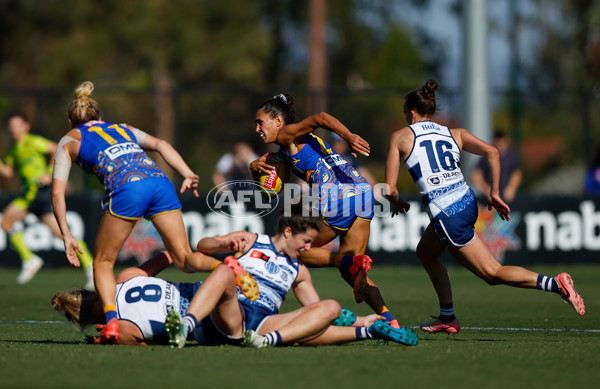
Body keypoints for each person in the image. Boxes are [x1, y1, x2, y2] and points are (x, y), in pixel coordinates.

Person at [51, 81, 258, 342]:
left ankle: (112, 321)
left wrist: (66, 234)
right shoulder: (121, 128)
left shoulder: (69, 140)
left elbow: (57, 193)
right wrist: (186, 172)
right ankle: (226, 265)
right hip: (160, 182)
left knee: (103, 263)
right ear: (100, 117)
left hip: (127, 187)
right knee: (183, 258)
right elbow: (160, 144)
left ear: (71, 122)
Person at [384, 79, 585, 335]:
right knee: (426, 252)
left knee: (492, 273)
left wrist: (396, 201)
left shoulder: (400, 137)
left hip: (448, 214)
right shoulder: (455, 133)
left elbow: (389, 188)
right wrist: (495, 193)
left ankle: (555, 284)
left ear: (411, 113)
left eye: (405, 115)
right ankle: (447, 317)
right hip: (467, 202)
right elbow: (492, 152)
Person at [51, 209, 418, 347]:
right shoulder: (251, 241)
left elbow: (312, 312)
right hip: (224, 313)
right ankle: (188, 324)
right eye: (306, 241)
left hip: (262, 321)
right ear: (288, 232)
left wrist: (335, 315)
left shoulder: (300, 269)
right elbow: (193, 249)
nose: (308, 249)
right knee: (229, 269)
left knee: (327, 309)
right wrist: (225, 243)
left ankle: (369, 329)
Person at [249, 93, 402, 329]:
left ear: (278, 121)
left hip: (340, 197)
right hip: (362, 191)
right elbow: (269, 191)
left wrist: (349, 136)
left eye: (261, 122)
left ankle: (344, 263)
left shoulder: (287, 134)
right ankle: (390, 320)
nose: (257, 128)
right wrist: (253, 169)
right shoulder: (286, 147)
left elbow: (320, 117)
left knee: (295, 250)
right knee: (353, 271)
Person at [0, 111, 94, 287]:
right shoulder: (14, 149)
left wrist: (49, 173)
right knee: (10, 223)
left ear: (26, 126)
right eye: (11, 126)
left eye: (17, 124)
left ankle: (32, 259)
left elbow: (55, 149)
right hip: (29, 195)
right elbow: (9, 173)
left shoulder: (33, 141)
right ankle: (88, 266)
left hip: (40, 192)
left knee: (8, 221)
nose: (13, 128)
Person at [470, 130, 522, 203]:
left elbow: (516, 173)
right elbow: (476, 174)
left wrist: (512, 187)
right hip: (490, 198)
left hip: (506, 197)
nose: (499, 143)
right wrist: (485, 188)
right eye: (497, 140)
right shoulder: (487, 156)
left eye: (501, 140)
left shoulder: (511, 156)